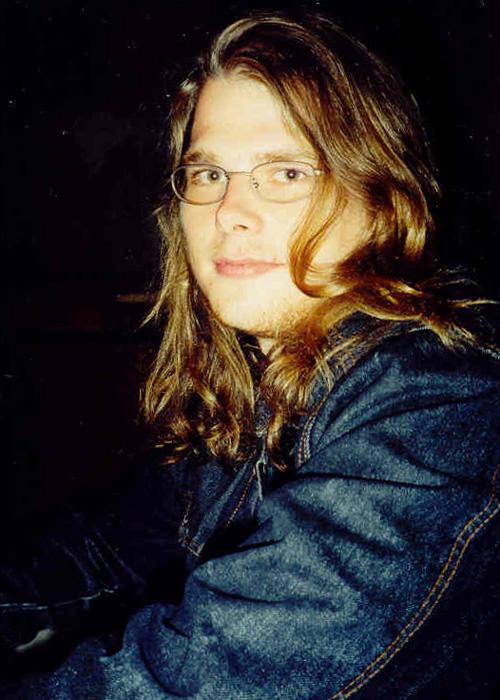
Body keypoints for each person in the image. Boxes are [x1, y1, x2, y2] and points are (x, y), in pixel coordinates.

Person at [1, 9, 499, 699]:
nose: (228, 211)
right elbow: (104, 549)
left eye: (285, 172)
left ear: (381, 199)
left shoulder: (439, 403)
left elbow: (196, 681)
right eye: (208, 172)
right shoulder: (257, 388)